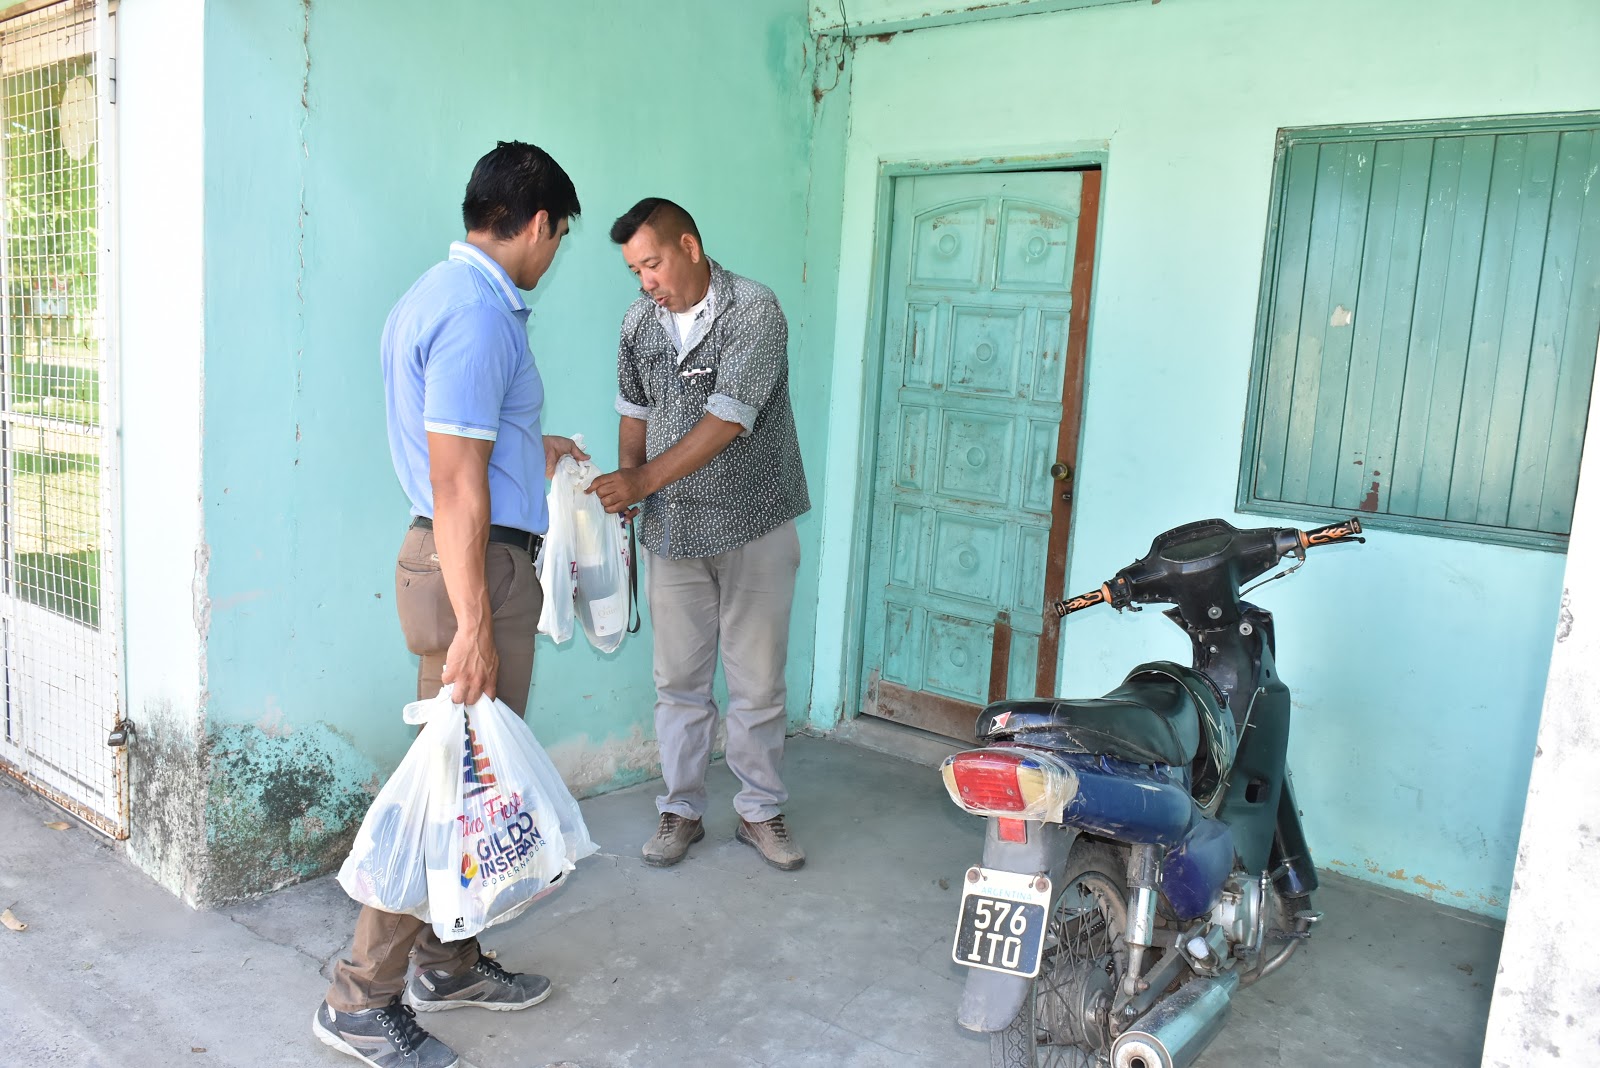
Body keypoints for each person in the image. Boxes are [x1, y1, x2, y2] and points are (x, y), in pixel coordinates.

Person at [313, 141, 587, 1068]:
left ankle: (448, 957)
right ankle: (363, 996)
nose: (553, 258)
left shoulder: (436, 295)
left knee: (469, 780)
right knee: (443, 786)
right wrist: (475, 624)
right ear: (540, 223)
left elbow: (466, 445)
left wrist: (527, 445)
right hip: (473, 570)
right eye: (560, 239)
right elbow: (456, 478)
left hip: (464, 555)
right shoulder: (479, 314)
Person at [589, 198, 811, 873]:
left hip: (755, 522)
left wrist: (641, 482)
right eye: (635, 271)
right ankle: (680, 810)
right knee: (678, 684)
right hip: (674, 531)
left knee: (756, 684)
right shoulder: (638, 324)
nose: (645, 281)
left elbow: (726, 421)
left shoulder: (755, 310)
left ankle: (759, 812)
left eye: (651, 264)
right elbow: (634, 413)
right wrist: (630, 484)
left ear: (689, 246)